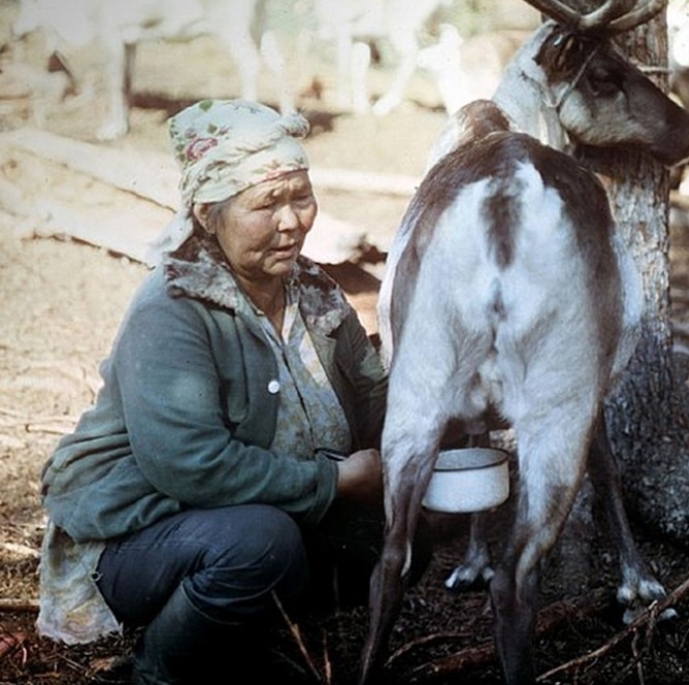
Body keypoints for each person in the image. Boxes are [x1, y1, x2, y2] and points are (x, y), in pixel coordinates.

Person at [37, 99, 428, 684]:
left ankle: (239, 636)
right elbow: (190, 467)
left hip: (254, 515)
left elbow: (374, 400)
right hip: (135, 536)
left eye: (300, 196)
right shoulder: (174, 310)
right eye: (266, 203)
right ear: (207, 213)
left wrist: (446, 407)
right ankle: (153, 670)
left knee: (406, 532)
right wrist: (334, 481)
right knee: (259, 544)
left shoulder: (312, 291)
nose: (292, 220)